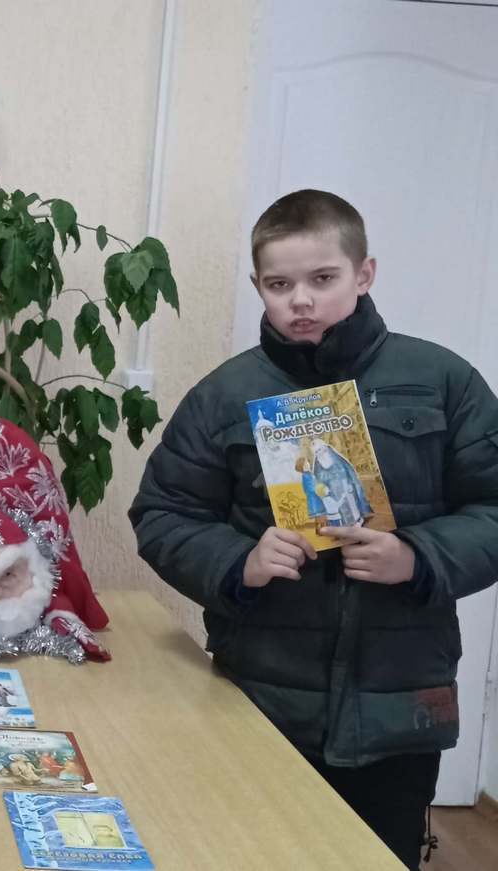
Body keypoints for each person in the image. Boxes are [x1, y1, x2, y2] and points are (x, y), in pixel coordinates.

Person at [130, 189, 498, 869]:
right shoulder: (224, 394)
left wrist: (416, 557)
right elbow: (162, 512)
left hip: (398, 709)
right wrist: (239, 561)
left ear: (364, 274)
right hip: (260, 698)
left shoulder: (444, 381)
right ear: (258, 287)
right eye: (280, 284)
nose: (301, 300)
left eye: (323, 278)